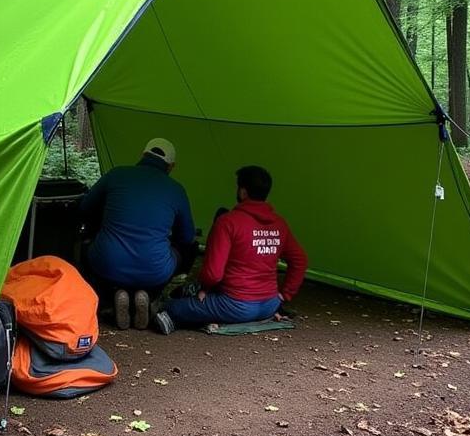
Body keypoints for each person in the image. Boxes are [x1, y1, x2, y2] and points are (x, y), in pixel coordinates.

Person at [153, 165, 307, 335]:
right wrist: (284, 295)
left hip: (235, 304)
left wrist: (204, 288)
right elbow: (300, 260)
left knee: (170, 306)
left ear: (243, 192)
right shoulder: (279, 224)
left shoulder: (228, 222)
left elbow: (213, 273)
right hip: (269, 305)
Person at [80, 138, 196, 330]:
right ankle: (150, 296)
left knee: (85, 246)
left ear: (143, 155)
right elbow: (187, 237)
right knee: (184, 251)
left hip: (108, 264)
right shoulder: (176, 190)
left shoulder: (116, 175)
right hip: (154, 270)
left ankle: (109, 298)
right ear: (171, 166)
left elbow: (84, 208)